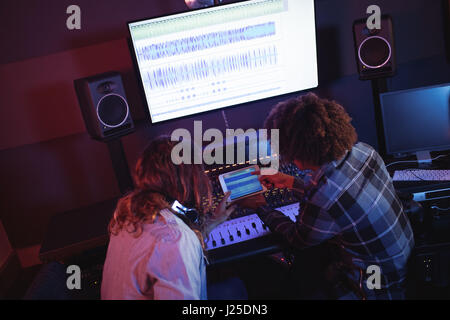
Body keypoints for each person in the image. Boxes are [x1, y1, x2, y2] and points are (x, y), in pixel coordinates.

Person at [238, 93, 415, 299]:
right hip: (403, 261)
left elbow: (298, 239)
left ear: (299, 152)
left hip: (377, 284)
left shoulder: (324, 196)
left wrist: (261, 207)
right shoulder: (365, 151)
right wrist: (290, 182)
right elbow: (341, 198)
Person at [101, 136, 236, 300]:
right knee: (236, 288)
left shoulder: (127, 216)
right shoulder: (175, 238)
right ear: (189, 180)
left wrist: (213, 221)